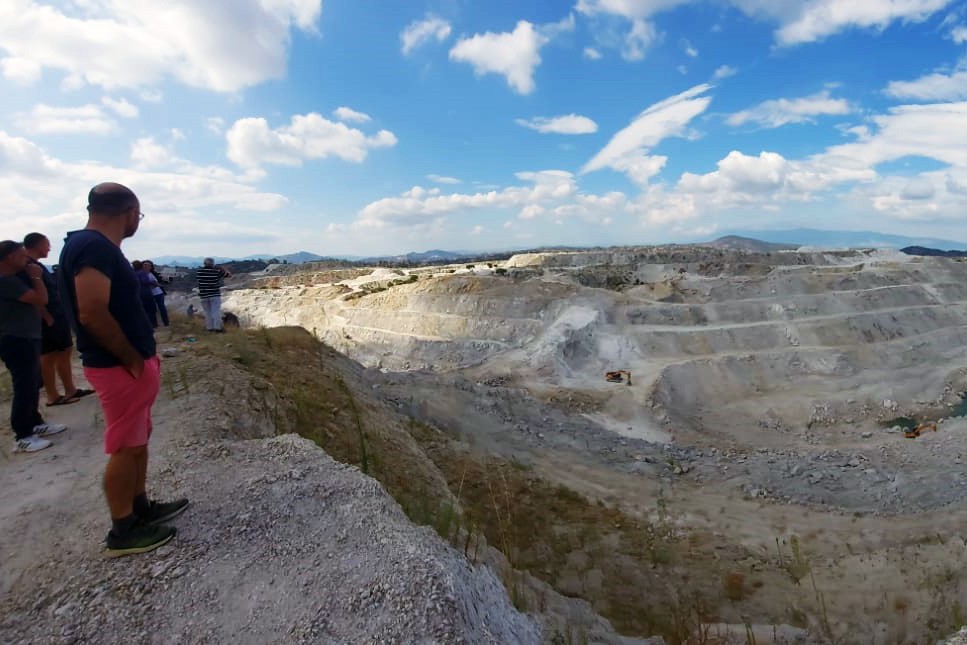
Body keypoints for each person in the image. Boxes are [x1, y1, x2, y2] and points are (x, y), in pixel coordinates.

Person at [59, 183, 188, 557]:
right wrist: (132, 360)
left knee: (137, 440)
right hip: (119, 366)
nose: (138, 222)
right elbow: (92, 311)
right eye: (139, 216)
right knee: (125, 446)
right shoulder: (94, 247)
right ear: (129, 212)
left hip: (127, 363)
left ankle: (140, 506)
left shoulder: (90, 246)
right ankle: (123, 528)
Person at [0, 240, 68, 453]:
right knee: (24, 385)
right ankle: (23, 435)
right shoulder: (5, 281)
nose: (26, 260)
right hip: (15, 339)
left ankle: (35, 422)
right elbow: (41, 298)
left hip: (26, 336)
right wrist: (36, 276)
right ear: (10, 257)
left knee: (32, 382)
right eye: (22, 256)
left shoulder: (12, 279)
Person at [23, 233, 94, 406]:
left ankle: (70, 389)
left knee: (65, 350)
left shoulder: (37, 265)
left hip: (57, 314)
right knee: (49, 356)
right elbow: (33, 296)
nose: (49, 248)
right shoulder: (28, 267)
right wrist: (46, 316)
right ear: (37, 244)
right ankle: (52, 396)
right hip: (47, 319)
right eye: (47, 244)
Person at [195, 257, 231, 332]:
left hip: (203, 295)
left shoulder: (199, 272)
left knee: (207, 313)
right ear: (212, 264)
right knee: (216, 312)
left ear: (204, 263)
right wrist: (223, 268)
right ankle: (217, 328)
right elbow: (229, 275)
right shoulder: (216, 272)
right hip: (214, 294)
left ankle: (209, 328)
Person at [142, 261, 169, 327]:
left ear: (151, 267)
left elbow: (160, 282)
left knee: (162, 308)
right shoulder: (142, 275)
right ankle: (154, 324)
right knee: (152, 310)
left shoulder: (153, 273)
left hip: (159, 293)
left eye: (148, 266)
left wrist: (158, 284)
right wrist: (154, 285)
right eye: (144, 265)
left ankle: (166, 323)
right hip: (150, 295)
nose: (146, 267)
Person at [132, 260, 158, 328]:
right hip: (146, 293)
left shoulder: (132, 273)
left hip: (138, 294)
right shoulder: (142, 273)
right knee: (151, 309)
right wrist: (153, 282)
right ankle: (153, 324)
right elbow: (145, 281)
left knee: (144, 310)